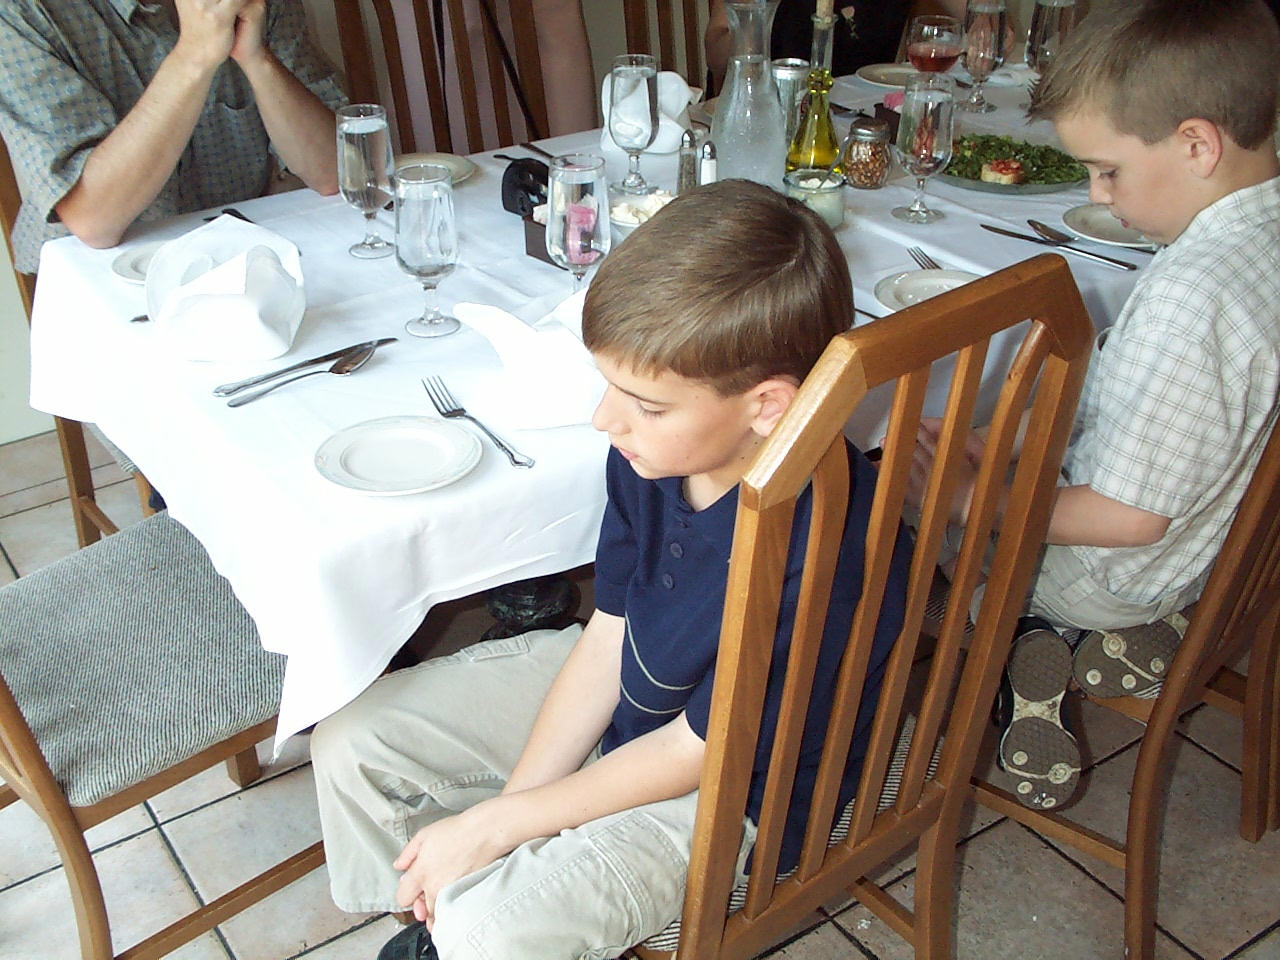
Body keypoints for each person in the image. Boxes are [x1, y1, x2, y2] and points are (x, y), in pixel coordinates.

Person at [309, 180, 913, 960]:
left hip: (738, 791)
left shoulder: (829, 546)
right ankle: (427, 920)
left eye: (647, 404)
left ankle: (458, 928)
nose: (605, 420)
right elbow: (608, 638)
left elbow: (695, 753)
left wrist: (500, 825)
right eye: (609, 387)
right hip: (646, 705)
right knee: (353, 744)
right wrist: (506, 821)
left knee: (491, 931)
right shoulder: (651, 455)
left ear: (767, 406)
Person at [908, 0, 1280, 812]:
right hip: (1218, 552)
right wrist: (1001, 444)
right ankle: (1086, 637)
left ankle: (1023, 629)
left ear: (1197, 145)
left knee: (899, 488)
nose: (1098, 194)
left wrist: (974, 499)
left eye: (1107, 170)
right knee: (967, 456)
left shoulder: (1192, 298)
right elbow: (1133, 409)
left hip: (1120, 569)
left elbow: (1130, 517)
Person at [0, 0, 346, 275]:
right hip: (101, 285)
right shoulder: (21, 12)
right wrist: (195, 55)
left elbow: (336, 172)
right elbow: (94, 220)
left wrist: (256, 59)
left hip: (248, 261)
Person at [705, 0, 968, 88]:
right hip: (775, 116)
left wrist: (983, 22)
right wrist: (752, 18)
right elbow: (716, 58)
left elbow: (976, 11)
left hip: (867, 121)